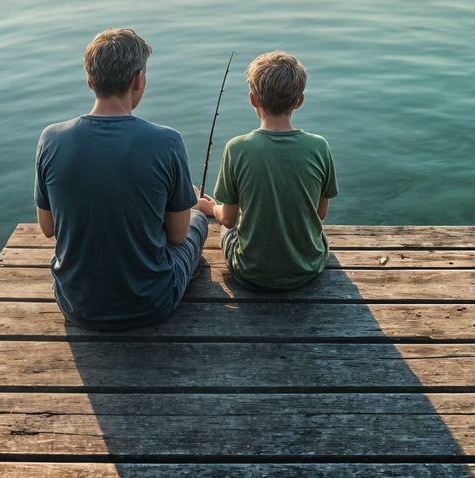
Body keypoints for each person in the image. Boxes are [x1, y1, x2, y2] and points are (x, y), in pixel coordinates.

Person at [33, 28, 216, 330]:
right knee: (195, 220)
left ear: (89, 81)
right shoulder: (167, 141)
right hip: (152, 304)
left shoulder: (51, 139)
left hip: (76, 304)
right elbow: (177, 236)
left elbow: (48, 228)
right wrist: (190, 205)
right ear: (139, 80)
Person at [208, 51, 338, 290]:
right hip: (308, 268)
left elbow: (227, 219)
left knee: (228, 229)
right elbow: (320, 214)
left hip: (250, 273)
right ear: (299, 100)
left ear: (253, 99)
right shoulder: (319, 146)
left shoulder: (237, 148)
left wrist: (210, 207)